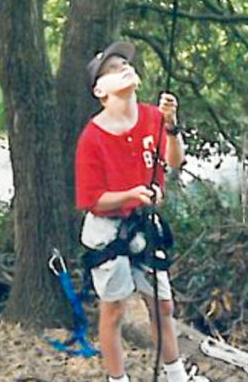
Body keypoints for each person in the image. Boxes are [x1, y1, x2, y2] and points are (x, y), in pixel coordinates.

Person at [75, 41, 207, 382]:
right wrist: (129, 194)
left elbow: (174, 161)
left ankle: (175, 375)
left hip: (143, 226)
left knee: (162, 304)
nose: (125, 68)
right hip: (108, 229)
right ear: (99, 90)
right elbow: (92, 199)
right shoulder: (92, 137)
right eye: (114, 68)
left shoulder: (152, 117)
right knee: (114, 308)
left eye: (126, 64)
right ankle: (117, 379)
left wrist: (172, 124)